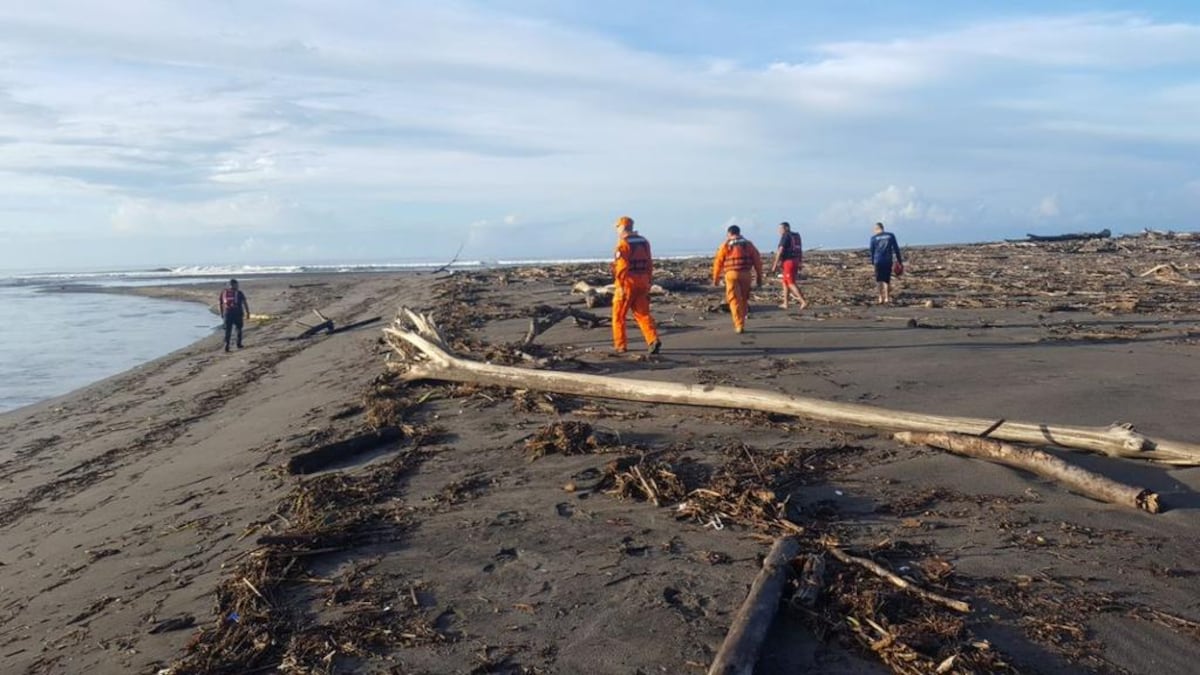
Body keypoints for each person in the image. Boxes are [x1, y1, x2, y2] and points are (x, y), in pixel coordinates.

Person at [610, 216, 661, 354]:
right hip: (643, 282)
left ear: (622, 227)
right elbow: (649, 263)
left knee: (619, 315)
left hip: (627, 283)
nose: (616, 231)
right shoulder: (644, 242)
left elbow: (622, 267)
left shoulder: (623, 244)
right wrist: (649, 280)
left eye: (617, 228)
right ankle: (652, 339)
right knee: (643, 314)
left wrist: (620, 284)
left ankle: (620, 345)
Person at [711, 225, 763, 334]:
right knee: (744, 299)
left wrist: (715, 279)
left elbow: (718, 263)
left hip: (731, 275)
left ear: (729, 234)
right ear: (739, 232)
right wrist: (759, 277)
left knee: (734, 300)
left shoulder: (725, 245)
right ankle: (741, 323)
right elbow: (757, 261)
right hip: (746, 274)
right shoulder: (749, 244)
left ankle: (738, 324)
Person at [769, 221, 808, 310]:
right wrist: (800, 262)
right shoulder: (796, 236)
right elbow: (799, 249)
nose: (779, 231)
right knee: (785, 282)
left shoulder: (786, 236)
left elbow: (780, 250)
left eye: (780, 229)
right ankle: (785, 303)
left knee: (791, 283)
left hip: (789, 262)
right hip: (795, 261)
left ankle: (803, 301)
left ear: (786, 228)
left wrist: (775, 264)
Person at [869, 222, 903, 304]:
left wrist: (872, 261)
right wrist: (899, 260)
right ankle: (887, 297)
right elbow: (896, 248)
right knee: (886, 279)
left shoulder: (873, 238)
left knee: (879, 279)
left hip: (878, 260)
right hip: (888, 260)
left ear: (877, 229)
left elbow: (872, 251)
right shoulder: (890, 235)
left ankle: (881, 297)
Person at [219, 279, 250, 352]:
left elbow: (221, 304)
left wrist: (222, 313)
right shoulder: (239, 293)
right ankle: (238, 344)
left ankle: (227, 344)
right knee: (239, 329)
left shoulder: (223, 293)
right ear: (235, 285)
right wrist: (248, 312)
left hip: (227, 313)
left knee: (228, 330)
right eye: (237, 284)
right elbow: (244, 302)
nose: (238, 286)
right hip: (237, 313)